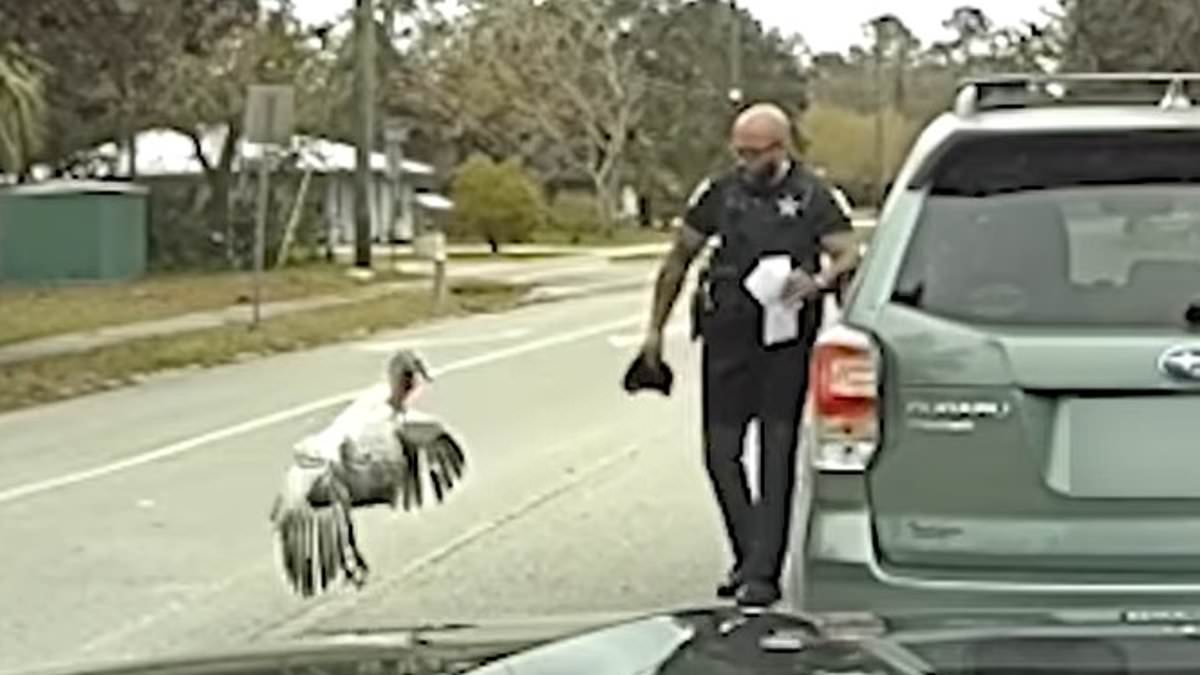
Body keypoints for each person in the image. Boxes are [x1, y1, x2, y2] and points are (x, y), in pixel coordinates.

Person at [638, 103, 861, 608]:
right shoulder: (720, 193)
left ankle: (763, 573)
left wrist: (819, 281)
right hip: (728, 337)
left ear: (781, 148)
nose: (744, 162)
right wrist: (654, 331)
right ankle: (748, 553)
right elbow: (679, 257)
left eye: (755, 153)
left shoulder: (813, 196)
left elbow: (848, 251)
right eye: (738, 151)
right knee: (721, 453)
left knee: (776, 454)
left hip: (784, 342)